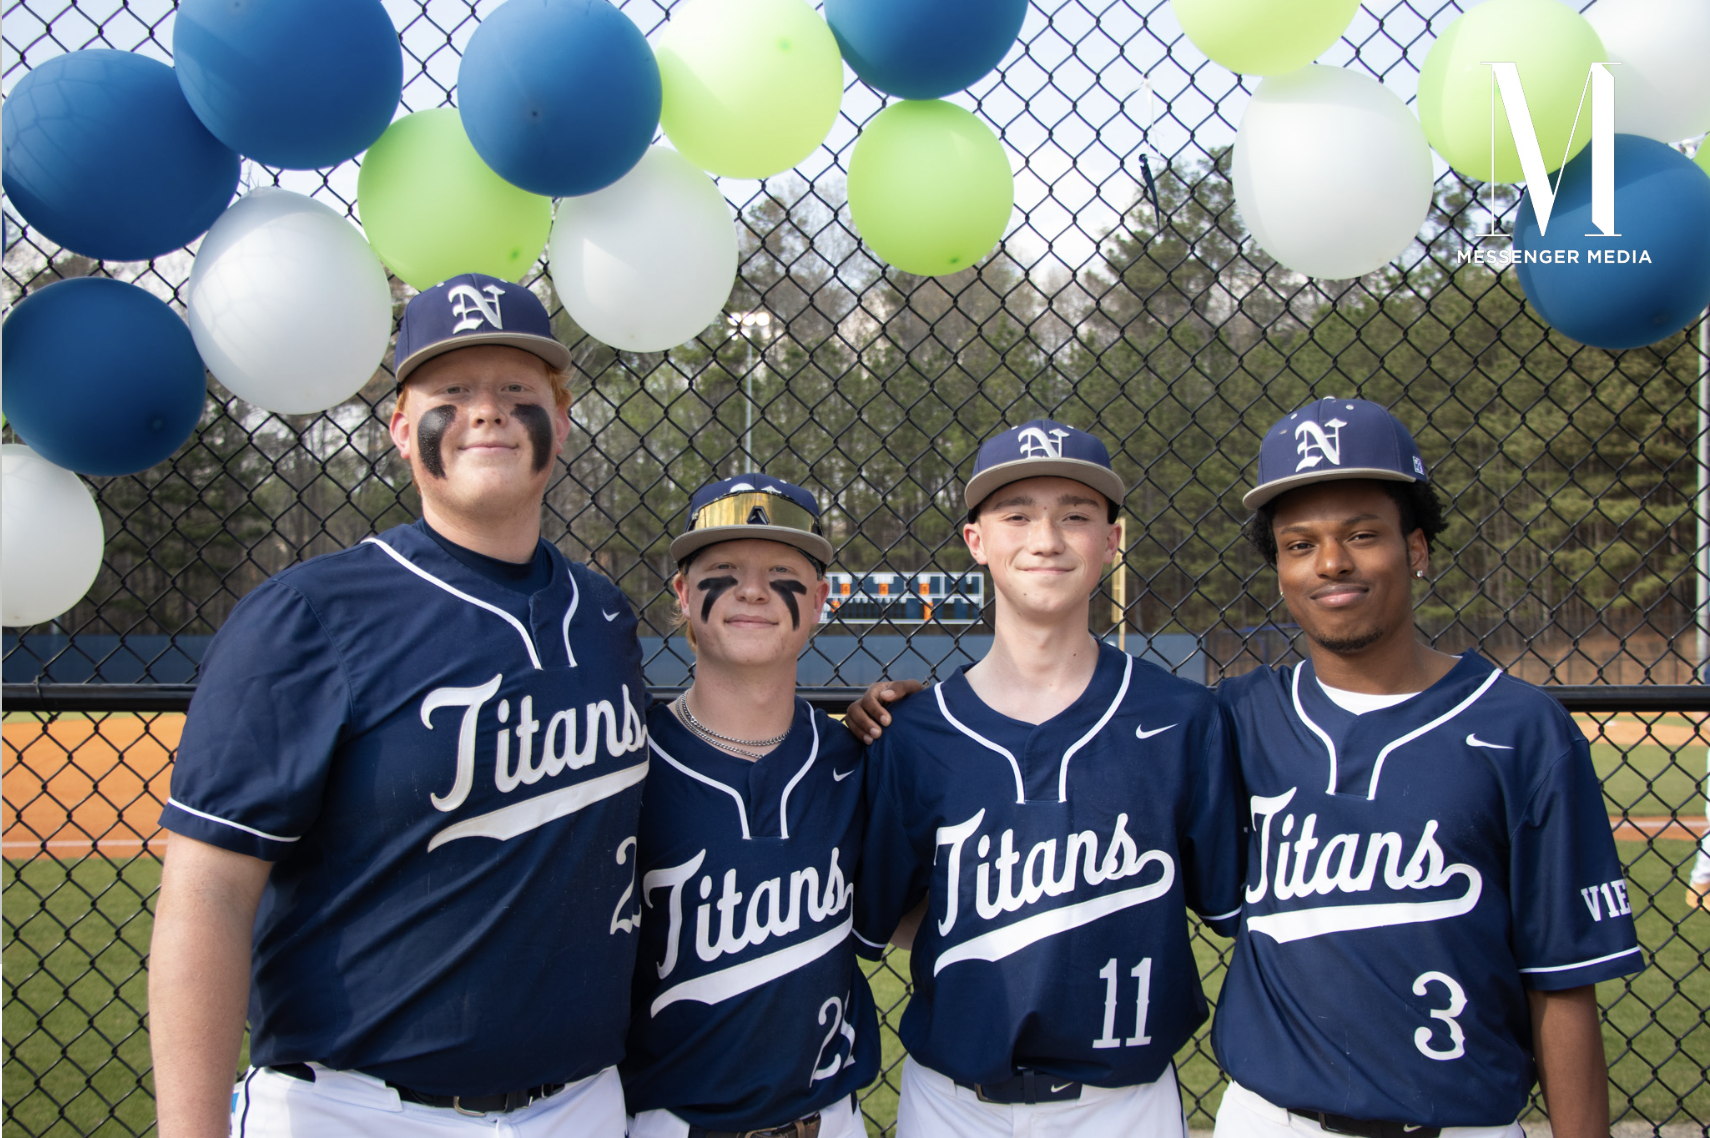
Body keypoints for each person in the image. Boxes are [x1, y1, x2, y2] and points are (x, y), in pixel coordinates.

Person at [149, 274, 650, 1137]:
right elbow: (210, 893)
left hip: (582, 1106)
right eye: (450, 392)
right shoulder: (309, 617)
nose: (486, 412)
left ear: (561, 422)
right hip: (354, 1109)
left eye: (517, 391)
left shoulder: (604, 616)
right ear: (398, 429)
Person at [1211, 397, 1643, 1138]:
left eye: (1362, 534)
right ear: (1279, 570)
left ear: (1416, 548)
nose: (1331, 563)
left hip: (1463, 1124)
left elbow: (1564, 978)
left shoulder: (1520, 727)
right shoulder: (1237, 719)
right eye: (1299, 544)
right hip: (1268, 1120)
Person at [850, 420, 1244, 1138]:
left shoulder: (1183, 718)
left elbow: (1219, 900)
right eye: (1017, 515)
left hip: (1126, 1105)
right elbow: (888, 916)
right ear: (976, 540)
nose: (1047, 539)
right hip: (950, 1107)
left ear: (1111, 540)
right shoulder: (913, 733)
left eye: (1075, 516)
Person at [621, 474, 879, 1138]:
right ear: (683, 594)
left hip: (831, 1119)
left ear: (819, 600)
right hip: (667, 1121)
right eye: (724, 571)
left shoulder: (858, 757)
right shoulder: (626, 764)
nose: (754, 590)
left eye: (782, 574)